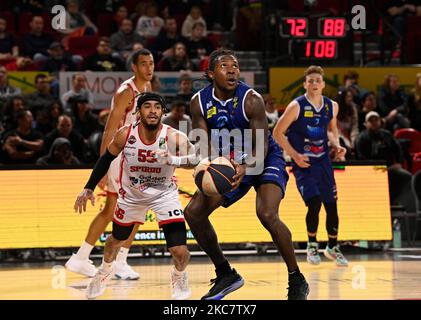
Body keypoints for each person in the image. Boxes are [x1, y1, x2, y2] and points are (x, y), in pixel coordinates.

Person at [184, 49, 309, 300]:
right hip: (229, 161)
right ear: (210, 73)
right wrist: (211, 165)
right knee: (193, 213)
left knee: (267, 213)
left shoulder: (251, 100)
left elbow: (262, 144)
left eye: (236, 66)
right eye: (224, 66)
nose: (232, 70)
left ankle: (297, 278)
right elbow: (203, 140)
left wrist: (246, 167)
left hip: (262, 157)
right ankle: (225, 273)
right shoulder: (198, 101)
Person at [74, 92, 192, 300]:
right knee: (114, 241)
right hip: (131, 196)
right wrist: (89, 187)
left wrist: (173, 159)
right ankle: (104, 271)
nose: (153, 110)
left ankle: (179, 276)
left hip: (164, 195)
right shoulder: (124, 134)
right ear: (138, 112)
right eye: (147, 106)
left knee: (180, 251)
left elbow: (195, 158)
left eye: (157, 106)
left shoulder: (173, 136)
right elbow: (105, 159)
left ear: (163, 112)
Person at [65, 49, 154, 280]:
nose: (149, 67)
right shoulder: (127, 91)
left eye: (151, 63)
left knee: (116, 210)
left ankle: (82, 258)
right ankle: (116, 261)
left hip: (136, 158)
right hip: (120, 157)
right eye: (143, 63)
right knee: (128, 209)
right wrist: (103, 164)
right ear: (134, 67)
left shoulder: (148, 90)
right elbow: (110, 128)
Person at [273, 65, 349, 267]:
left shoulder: (331, 105)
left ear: (323, 84)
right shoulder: (296, 106)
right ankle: (312, 245)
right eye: (311, 80)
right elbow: (277, 133)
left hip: (323, 161)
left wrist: (337, 145)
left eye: (318, 80)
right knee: (314, 202)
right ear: (305, 84)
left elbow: (331, 131)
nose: (314, 83)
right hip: (304, 163)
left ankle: (332, 247)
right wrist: (295, 156)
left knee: (331, 205)